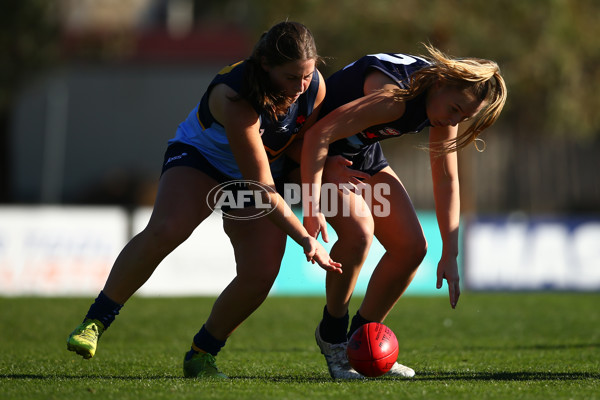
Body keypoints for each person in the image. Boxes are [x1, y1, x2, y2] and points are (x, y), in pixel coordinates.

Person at [66, 21, 342, 379]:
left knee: (260, 274)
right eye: (291, 78)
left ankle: (202, 354)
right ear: (265, 66)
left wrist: (316, 192)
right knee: (168, 229)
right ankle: (95, 321)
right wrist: (304, 237)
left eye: (307, 75)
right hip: (204, 160)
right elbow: (260, 186)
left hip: (260, 171)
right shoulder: (236, 96)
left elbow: (300, 149)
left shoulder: (314, 88)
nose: (300, 87)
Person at [301, 46, 507, 379]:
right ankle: (334, 336)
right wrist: (311, 205)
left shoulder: (441, 99)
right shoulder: (394, 98)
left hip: (356, 156)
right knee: (358, 233)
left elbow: (446, 179)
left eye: (464, 117)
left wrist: (450, 254)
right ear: (440, 82)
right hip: (309, 154)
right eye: (455, 110)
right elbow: (316, 135)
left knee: (412, 248)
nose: (453, 121)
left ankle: (362, 341)